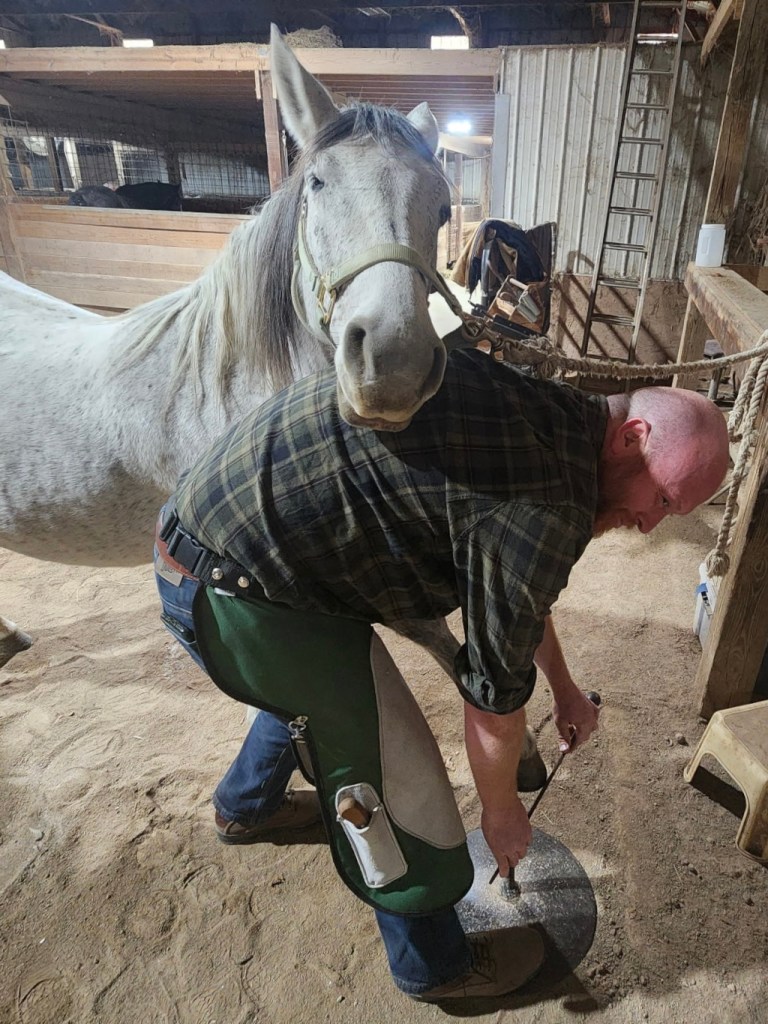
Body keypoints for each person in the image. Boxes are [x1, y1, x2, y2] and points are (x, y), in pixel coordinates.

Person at [154, 348, 729, 1001]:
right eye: (661, 498)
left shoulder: (554, 416)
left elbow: (515, 592)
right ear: (633, 437)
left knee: (309, 692)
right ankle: (434, 965)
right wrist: (501, 812)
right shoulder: (549, 504)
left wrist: (565, 689)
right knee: (398, 770)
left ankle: (244, 807)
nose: (650, 524)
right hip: (233, 590)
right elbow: (492, 701)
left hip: (210, 540)